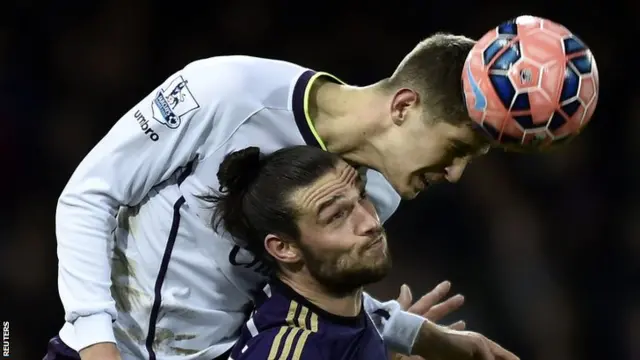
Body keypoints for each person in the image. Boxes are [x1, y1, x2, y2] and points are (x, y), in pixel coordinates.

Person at [51, 33, 502, 360]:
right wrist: (96, 344)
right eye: (455, 149)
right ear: (404, 106)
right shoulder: (227, 91)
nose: (456, 174)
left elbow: (301, 300)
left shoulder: (376, 193)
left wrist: (411, 334)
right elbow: (88, 197)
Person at [208, 145, 516, 360]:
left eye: (362, 196)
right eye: (336, 216)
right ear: (284, 248)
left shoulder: (347, 319)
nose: (369, 222)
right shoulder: (292, 349)